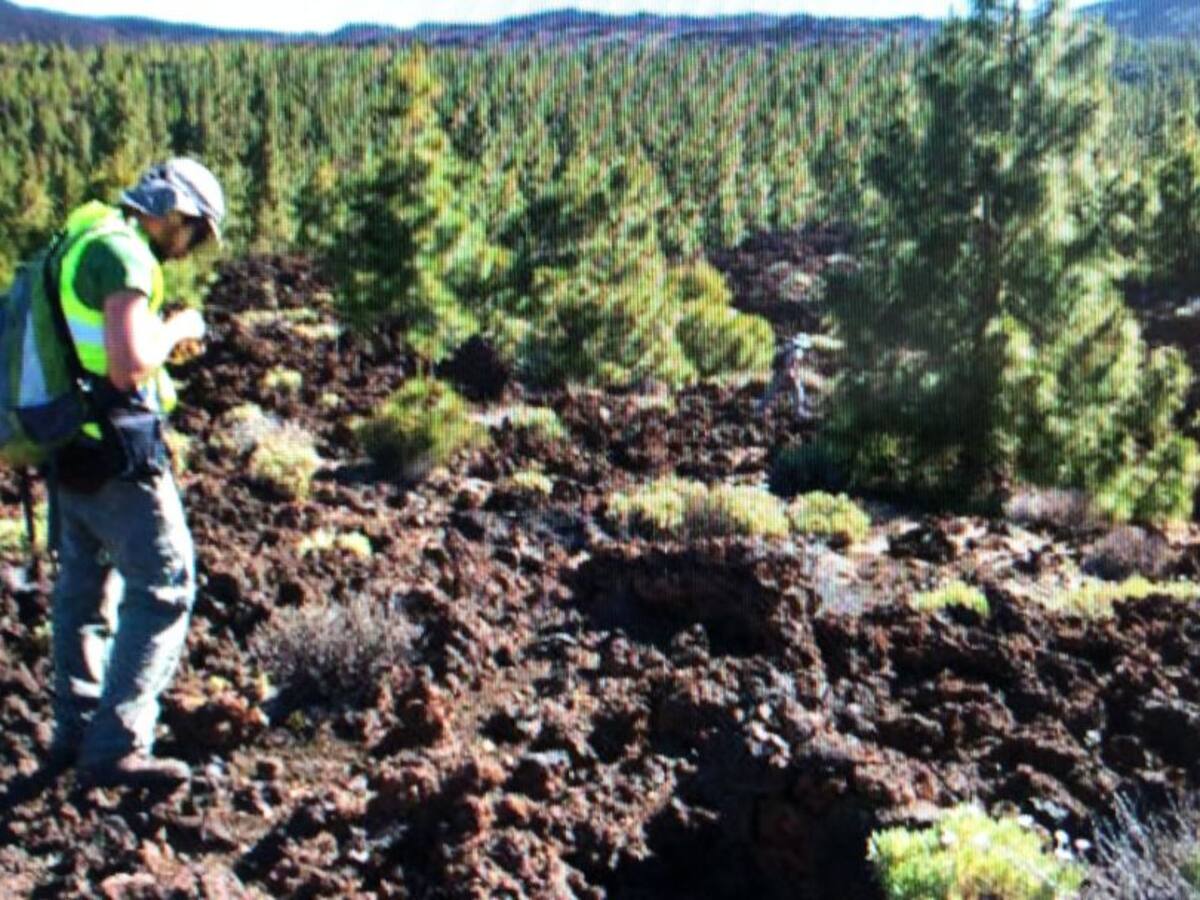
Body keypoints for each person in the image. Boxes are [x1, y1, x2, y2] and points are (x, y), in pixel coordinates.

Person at [45, 158, 223, 790]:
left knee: (83, 590)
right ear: (174, 212)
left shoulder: (84, 232)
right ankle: (117, 744)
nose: (191, 247)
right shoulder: (125, 256)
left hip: (68, 445)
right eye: (195, 233)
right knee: (165, 585)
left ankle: (74, 730)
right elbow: (127, 365)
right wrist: (178, 326)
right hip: (117, 452)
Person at [756, 332, 813, 417]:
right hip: (787, 373)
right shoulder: (799, 351)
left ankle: (759, 408)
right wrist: (793, 375)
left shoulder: (788, 346)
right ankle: (798, 412)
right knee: (797, 390)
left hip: (779, 372)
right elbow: (792, 363)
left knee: (771, 390)